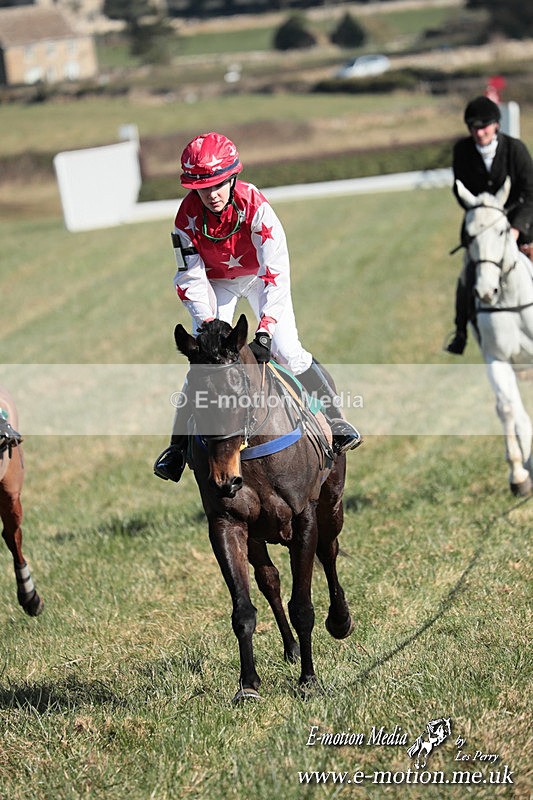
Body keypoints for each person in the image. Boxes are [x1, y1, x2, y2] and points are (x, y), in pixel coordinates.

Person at [154, 131, 361, 482]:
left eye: (219, 185)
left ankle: (335, 417)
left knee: (286, 350)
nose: (212, 195)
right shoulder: (185, 219)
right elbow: (190, 276)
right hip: (216, 284)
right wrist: (207, 325)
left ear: (233, 178)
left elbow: (277, 273)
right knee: (205, 362)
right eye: (202, 188)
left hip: (262, 280)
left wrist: (264, 328)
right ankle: (176, 448)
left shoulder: (258, 208)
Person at [446, 95, 533, 355]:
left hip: (520, 222)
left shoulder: (515, 149)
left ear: (496, 125)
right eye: (474, 127)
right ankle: (460, 331)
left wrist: (514, 228)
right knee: (467, 275)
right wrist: (484, 220)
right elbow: (460, 190)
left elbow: (531, 192)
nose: (479, 132)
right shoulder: (462, 151)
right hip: (483, 228)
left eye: (484, 126)